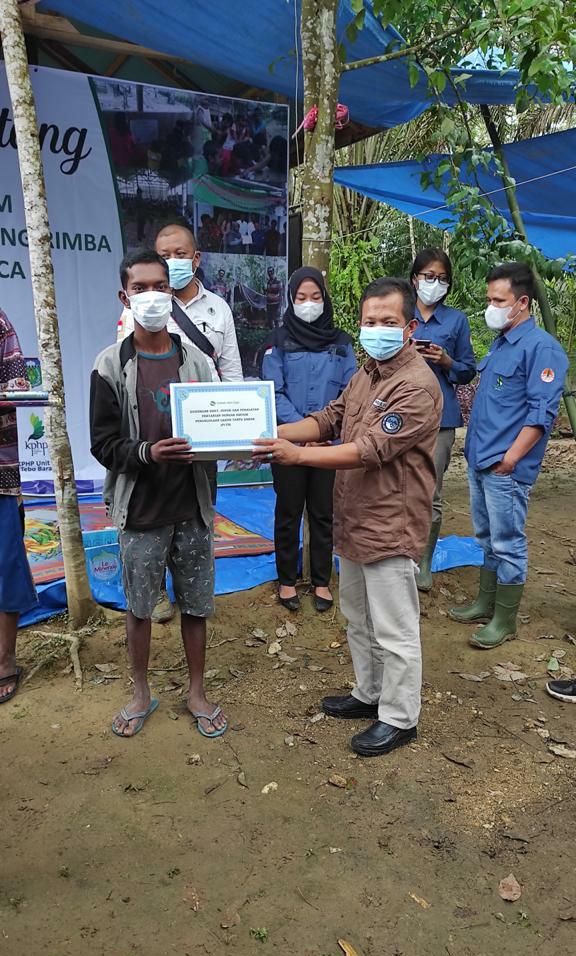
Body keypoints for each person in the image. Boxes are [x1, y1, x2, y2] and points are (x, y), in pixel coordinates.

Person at [254, 278, 442, 757]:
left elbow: (369, 450)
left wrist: (296, 456)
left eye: (389, 322)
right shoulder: (367, 373)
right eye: (370, 321)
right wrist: (268, 433)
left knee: (396, 628)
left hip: (391, 522)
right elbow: (330, 418)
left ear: (409, 326)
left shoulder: (417, 386)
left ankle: (401, 718)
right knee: (358, 616)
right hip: (354, 518)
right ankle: (370, 693)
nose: (378, 329)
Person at [90, 249, 227, 739]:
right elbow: (103, 444)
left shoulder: (196, 359)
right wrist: (148, 453)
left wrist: (237, 443)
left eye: (161, 287)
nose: (153, 296)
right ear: (125, 297)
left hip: (192, 506)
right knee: (140, 607)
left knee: (196, 605)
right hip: (141, 508)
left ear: (173, 293)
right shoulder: (109, 365)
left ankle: (196, 691)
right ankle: (141, 692)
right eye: (142, 288)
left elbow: (217, 424)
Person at [119, 223, 243, 622]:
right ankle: (153, 591)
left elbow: (232, 374)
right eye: (164, 255)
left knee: (198, 510)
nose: (173, 263)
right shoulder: (136, 310)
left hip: (203, 437)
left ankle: (192, 591)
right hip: (151, 435)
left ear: (196, 258)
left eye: (180, 254)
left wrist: (238, 432)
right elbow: (124, 371)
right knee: (149, 510)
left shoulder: (218, 309)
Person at [449, 262, 568, 648]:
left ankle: (505, 619)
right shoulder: (502, 343)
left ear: (522, 302)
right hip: (480, 461)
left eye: (497, 300)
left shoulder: (543, 349)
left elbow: (541, 415)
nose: (491, 306)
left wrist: (511, 460)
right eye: (489, 299)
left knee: (508, 541)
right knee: (486, 538)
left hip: (505, 468)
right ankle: (486, 601)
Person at [262, 267, 357, 613]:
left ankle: (320, 580)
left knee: (323, 513)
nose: (309, 304)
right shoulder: (278, 342)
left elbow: (351, 390)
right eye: (301, 298)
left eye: (315, 297)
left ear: (325, 299)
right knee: (288, 511)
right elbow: (273, 392)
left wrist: (323, 434)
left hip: (330, 447)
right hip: (288, 443)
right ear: (290, 299)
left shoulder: (342, 342)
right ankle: (287, 579)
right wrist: (305, 430)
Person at [409, 248, 476, 591]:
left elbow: (468, 370)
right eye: (428, 276)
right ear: (414, 278)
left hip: (441, 417)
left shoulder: (456, 321)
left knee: (430, 492)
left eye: (442, 278)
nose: (434, 283)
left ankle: (423, 562)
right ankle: (395, 554)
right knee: (394, 485)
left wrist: (447, 361)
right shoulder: (398, 313)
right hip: (399, 415)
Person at [0, 309, 38, 703]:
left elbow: (17, 386)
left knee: (5, 561)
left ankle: (4, 660)